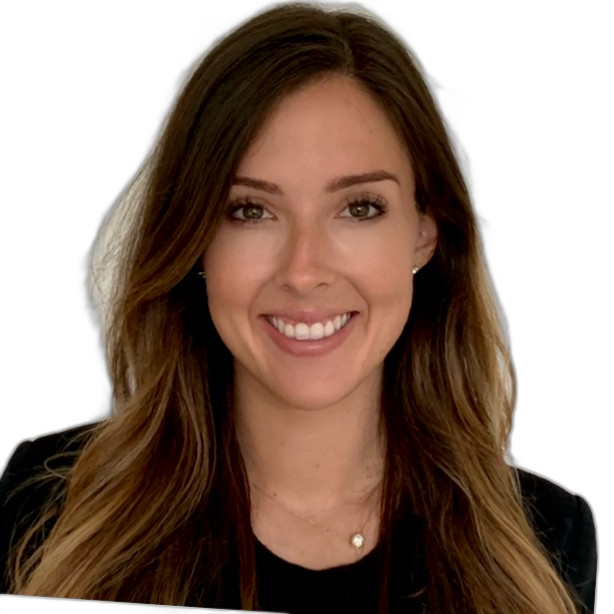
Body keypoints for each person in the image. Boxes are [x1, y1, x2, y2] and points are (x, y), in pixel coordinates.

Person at [0, 2, 598, 613]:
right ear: (194, 239)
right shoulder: (50, 505)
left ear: (425, 232)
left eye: (359, 208)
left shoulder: (545, 540)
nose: (304, 271)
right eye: (250, 211)